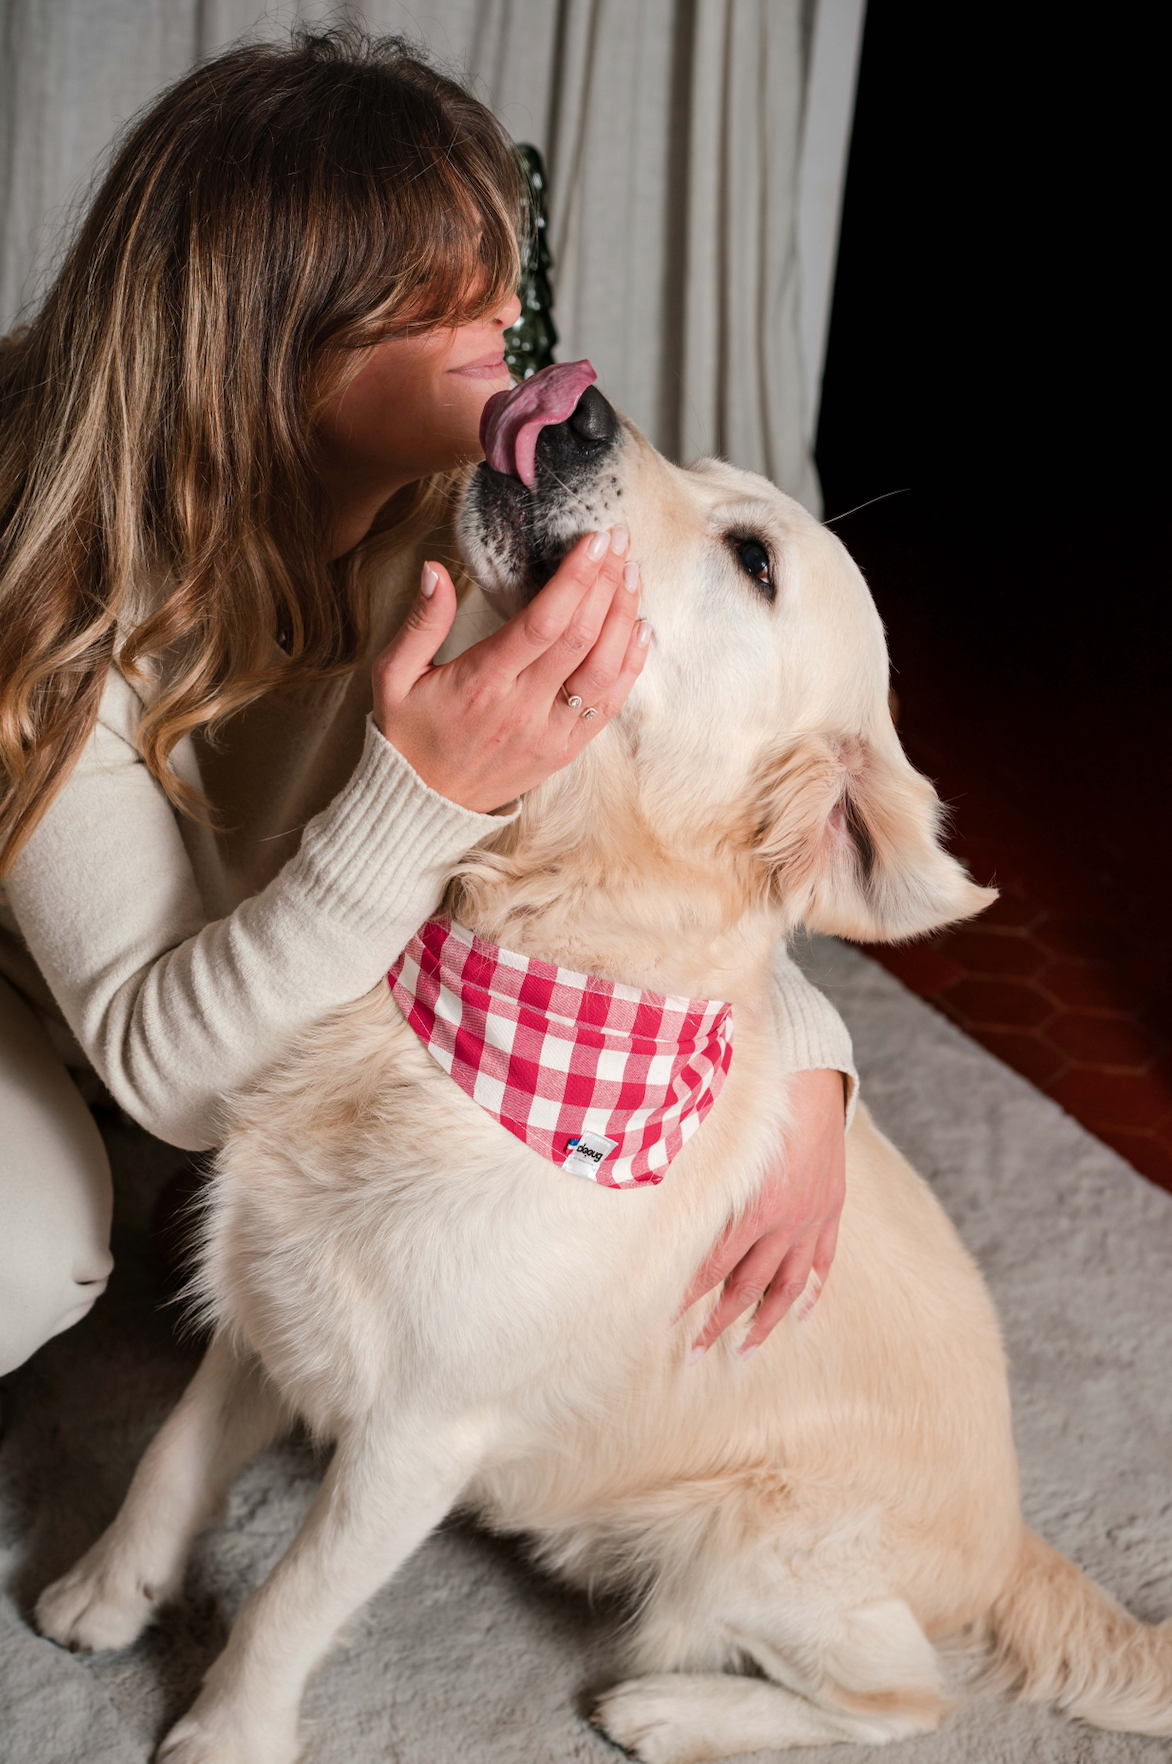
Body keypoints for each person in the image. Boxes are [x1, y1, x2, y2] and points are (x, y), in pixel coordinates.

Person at [0, 30, 854, 1390]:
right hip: (51, 985)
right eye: (439, 300)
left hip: (173, 983)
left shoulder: (481, 501)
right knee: (32, 1253)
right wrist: (425, 797)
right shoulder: (46, 581)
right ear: (260, 352)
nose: (507, 336)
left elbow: (657, 796)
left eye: (501, 278)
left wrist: (807, 1060)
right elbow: (177, 1084)